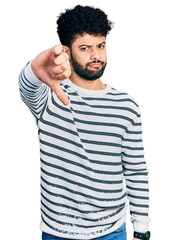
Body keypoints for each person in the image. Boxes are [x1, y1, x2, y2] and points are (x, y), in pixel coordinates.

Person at [18, 4, 150, 240]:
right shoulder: (50, 97)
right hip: (58, 232)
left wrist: (141, 229)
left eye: (100, 45)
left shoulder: (126, 105)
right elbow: (26, 86)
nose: (96, 55)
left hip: (112, 231)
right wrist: (34, 69)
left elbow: (136, 169)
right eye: (85, 48)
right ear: (67, 51)